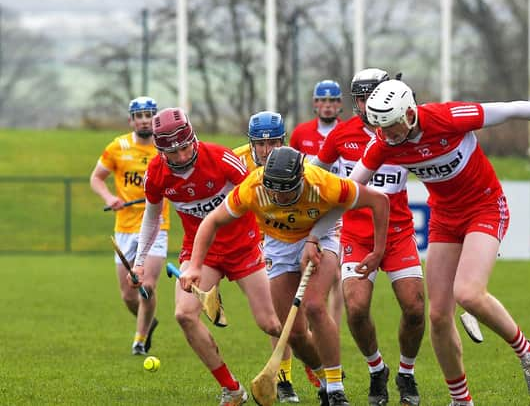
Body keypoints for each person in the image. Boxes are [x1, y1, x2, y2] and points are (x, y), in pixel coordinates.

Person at [351, 79, 530, 405]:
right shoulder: (384, 143)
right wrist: (312, 223)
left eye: (392, 126)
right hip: (444, 220)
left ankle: (528, 352)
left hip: (485, 207)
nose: (388, 135)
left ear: (409, 113)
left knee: (468, 294)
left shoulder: (448, 117)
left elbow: (512, 110)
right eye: (382, 128)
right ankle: (461, 400)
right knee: (437, 317)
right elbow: (347, 189)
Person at [182, 146, 391, 406]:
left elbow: (379, 201)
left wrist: (378, 250)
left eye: (286, 189)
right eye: (274, 189)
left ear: (300, 180)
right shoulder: (254, 187)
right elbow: (211, 221)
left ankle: (336, 389)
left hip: (321, 236)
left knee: (314, 306)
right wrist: (194, 266)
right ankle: (324, 379)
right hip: (278, 246)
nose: (279, 196)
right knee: (293, 334)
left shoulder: (322, 183)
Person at [130, 107, 282, 406]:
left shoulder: (223, 159)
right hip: (200, 255)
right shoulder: (156, 174)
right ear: (161, 151)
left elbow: (259, 199)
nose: (183, 156)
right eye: (174, 152)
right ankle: (232, 389)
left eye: (186, 147)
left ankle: (312, 378)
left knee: (272, 324)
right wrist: (138, 261)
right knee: (184, 315)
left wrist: (277, 243)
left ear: (193, 139)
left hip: (244, 247)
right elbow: (151, 219)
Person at [311, 68, 425, 406]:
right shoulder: (341, 135)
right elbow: (315, 174)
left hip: (399, 230)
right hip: (356, 234)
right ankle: (377, 369)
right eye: (358, 98)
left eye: (369, 96)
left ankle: (407, 372)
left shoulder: (404, 131)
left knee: (415, 307)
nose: (363, 104)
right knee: (357, 308)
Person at [233, 111, 309, 403]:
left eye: (273, 143)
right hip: (258, 242)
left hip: (293, 237)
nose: (266, 151)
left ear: (283, 141)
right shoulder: (237, 160)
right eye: (260, 144)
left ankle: (318, 367)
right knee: (278, 315)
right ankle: (284, 379)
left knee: (308, 310)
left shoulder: (297, 161)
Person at [89, 96, 170, 356]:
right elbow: (97, 178)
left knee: (146, 285)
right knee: (128, 295)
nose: (144, 120)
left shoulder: (165, 147)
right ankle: (147, 320)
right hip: (124, 227)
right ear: (131, 120)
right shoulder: (118, 146)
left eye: (149, 115)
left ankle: (139, 339)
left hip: (157, 224)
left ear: (155, 119)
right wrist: (110, 197)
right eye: (139, 116)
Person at [289, 79, 345, 359]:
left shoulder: (346, 132)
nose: (327, 105)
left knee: (336, 275)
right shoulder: (301, 133)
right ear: (314, 103)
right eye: (322, 100)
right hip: (309, 209)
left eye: (332, 100)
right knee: (308, 268)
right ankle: (313, 322)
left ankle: (329, 328)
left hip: (340, 209)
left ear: (340, 104)